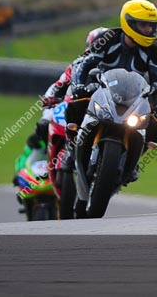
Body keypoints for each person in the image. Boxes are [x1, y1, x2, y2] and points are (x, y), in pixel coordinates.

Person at [63, 0, 157, 183]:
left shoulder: (155, 49)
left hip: (133, 96)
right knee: (77, 104)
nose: (149, 30)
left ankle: (133, 161)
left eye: (152, 26)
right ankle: (71, 147)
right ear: (129, 23)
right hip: (100, 88)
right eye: (144, 25)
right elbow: (84, 63)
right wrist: (78, 86)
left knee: (156, 125)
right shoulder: (108, 38)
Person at [12, 27, 108, 187]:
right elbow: (58, 85)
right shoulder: (78, 64)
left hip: (103, 113)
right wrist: (47, 111)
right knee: (40, 132)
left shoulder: (117, 66)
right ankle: (24, 172)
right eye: (97, 45)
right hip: (75, 108)